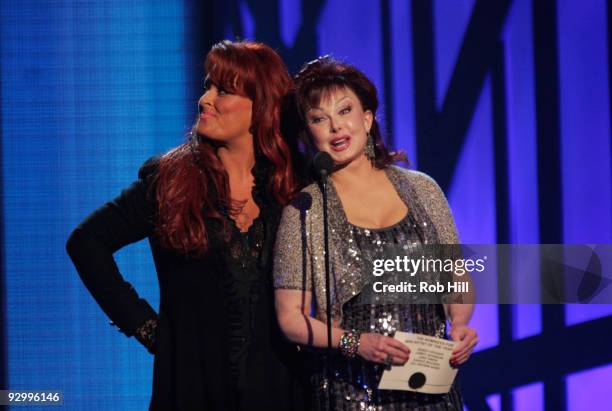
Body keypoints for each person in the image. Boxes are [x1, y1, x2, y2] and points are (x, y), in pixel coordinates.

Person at [66, 40, 309, 411]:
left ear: (261, 107)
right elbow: (86, 242)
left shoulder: (296, 185)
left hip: (281, 389)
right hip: (190, 389)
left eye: (222, 90)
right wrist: (147, 327)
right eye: (207, 86)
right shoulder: (171, 180)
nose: (205, 99)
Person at [273, 56, 477, 410]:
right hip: (353, 392)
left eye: (345, 111)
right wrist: (355, 342)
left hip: (432, 388)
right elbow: (290, 318)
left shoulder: (423, 190)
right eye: (320, 118)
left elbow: (456, 277)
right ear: (309, 134)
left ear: (366, 119)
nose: (336, 127)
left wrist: (460, 323)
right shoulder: (304, 209)